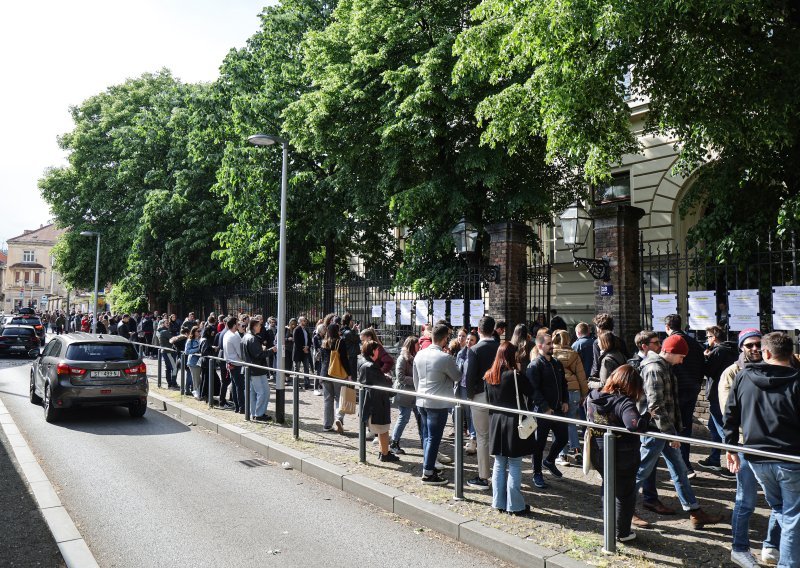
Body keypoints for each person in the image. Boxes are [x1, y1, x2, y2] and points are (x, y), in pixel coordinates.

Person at [635, 334, 723, 529]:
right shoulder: (654, 368)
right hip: (656, 431)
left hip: (664, 429)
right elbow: (655, 405)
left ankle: (694, 510)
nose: (682, 361)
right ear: (671, 352)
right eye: (681, 356)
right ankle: (623, 507)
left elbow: (664, 403)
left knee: (679, 469)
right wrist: (670, 434)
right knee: (641, 471)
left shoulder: (663, 366)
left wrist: (672, 431)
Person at [719, 328, 781, 568]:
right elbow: (730, 413)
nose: (754, 349)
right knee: (746, 500)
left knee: (779, 501)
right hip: (746, 444)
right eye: (749, 345)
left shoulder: (774, 368)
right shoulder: (732, 373)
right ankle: (740, 548)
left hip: (772, 445)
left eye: (757, 345)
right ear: (741, 348)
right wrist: (730, 447)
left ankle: (771, 546)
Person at [586, 364, 652, 542]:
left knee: (608, 488)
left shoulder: (592, 396)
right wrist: (647, 417)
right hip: (623, 455)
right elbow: (634, 425)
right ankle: (621, 533)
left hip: (598, 451)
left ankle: (609, 527)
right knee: (625, 495)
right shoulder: (624, 402)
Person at [485, 342, 535, 516]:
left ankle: (498, 501)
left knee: (499, 463)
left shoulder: (489, 376)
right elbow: (530, 391)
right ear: (511, 356)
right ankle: (515, 505)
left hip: (496, 422)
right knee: (514, 463)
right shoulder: (515, 375)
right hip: (514, 421)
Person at [413, 323, 460, 485]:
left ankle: (429, 465)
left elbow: (415, 379)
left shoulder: (419, 354)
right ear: (445, 339)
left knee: (427, 436)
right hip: (437, 402)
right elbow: (457, 376)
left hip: (421, 399)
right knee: (434, 437)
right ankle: (427, 472)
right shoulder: (445, 358)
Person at [663, 314, 706, 476]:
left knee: (672, 428)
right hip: (692, 390)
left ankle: (681, 466)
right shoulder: (694, 343)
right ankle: (685, 464)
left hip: (676, 392)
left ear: (667, 327)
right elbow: (702, 366)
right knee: (685, 428)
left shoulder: (669, 344)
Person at [527, 333, 569, 488]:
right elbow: (533, 389)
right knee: (539, 444)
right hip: (542, 411)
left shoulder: (557, 363)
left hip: (558, 410)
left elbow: (563, 384)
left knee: (563, 438)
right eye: (549, 344)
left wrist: (565, 400)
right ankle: (537, 473)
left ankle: (549, 461)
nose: (552, 346)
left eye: (552, 343)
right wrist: (545, 407)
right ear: (540, 346)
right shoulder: (535, 365)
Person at [465, 316, 501, 490]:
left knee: (482, 437)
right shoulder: (500, 347)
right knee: (497, 436)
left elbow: (470, 376)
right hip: (498, 396)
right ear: (493, 330)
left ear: (478, 331)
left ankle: (483, 476)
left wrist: (470, 396)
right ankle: (499, 474)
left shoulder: (475, 350)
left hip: (480, 395)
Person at [697, 325, 738, 474]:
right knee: (714, 429)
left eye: (708, 337)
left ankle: (733, 465)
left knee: (722, 430)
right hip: (724, 393)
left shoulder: (719, 351)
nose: (707, 340)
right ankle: (714, 459)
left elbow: (709, 371)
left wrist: (706, 358)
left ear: (713, 337)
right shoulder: (732, 350)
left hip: (716, 394)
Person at [552, 329, 588, 466]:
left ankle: (563, 455)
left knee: (558, 423)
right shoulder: (574, 354)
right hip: (574, 391)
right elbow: (581, 376)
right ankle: (577, 450)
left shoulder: (552, 354)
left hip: (559, 392)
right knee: (571, 421)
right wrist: (584, 393)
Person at [359, 340, 399, 462]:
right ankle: (385, 454)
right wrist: (389, 380)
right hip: (377, 402)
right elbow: (382, 384)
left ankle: (383, 452)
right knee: (384, 429)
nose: (379, 352)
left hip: (370, 400)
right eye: (377, 350)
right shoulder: (371, 366)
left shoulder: (362, 361)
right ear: (373, 351)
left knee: (382, 429)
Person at [390, 336, 422, 455]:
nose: (419, 346)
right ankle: (394, 442)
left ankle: (424, 441)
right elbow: (400, 377)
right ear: (412, 345)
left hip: (415, 394)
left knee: (420, 418)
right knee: (404, 417)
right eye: (417, 344)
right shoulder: (402, 358)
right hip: (404, 393)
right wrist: (416, 379)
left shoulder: (418, 357)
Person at [320, 323, 352, 433]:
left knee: (327, 400)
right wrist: (349, 374)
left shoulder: (324, 342)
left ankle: (327, 425)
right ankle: (339, 418)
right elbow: (344, 360)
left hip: (325, 374)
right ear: (337, 330)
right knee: (340, 398)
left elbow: (322, 360)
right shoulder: (340, 341)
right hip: (337, 374)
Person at [243, 318, 271, 421]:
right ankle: (259, 414)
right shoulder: (252, 338)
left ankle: (254, 413)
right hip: (257, 370)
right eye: (259, 325)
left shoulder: (246, 337)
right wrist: (270, 351)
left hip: (251, 369)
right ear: (254, 326)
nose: (261, 327)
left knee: (254, 393)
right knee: (263, 392)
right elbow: (258, 355)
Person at [589, 313, 628, 379]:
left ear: (599, 328)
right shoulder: (620, 340)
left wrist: (592, 378)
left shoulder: (598, 342)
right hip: (620, 376)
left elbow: (596, 365)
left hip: (605, 377)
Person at [222, 317, 245, 414]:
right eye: (238, 324)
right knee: (239, 387)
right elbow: (240, 353)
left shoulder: (228, 334)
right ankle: (241, 407)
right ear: (235, 325)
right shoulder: (234, 336)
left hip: (231, 363)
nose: (240, 325)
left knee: (236, 386)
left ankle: (237, 406)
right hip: (236, 363)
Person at [292, 316, 314, 390]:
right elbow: (296, 341)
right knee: (297, 369)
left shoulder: (306, 330)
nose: (305, 322)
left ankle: (307, 384)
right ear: (300, 321)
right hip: (298, 352)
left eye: (305, 321)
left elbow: (310, 340)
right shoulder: (296, 329)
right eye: (303, 321)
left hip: (305, 352)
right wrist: (303, 348)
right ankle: (296, 383)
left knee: (306, 368)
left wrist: (307, 347)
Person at [184, 326, 201, 398]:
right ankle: (196, 393)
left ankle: (198, 392)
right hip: (193, 362)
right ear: (194, 332)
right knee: (195, 379)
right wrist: (197, 349)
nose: (199, 332)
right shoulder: (190, 340)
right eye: (198, 331)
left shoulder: (200, 339)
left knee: (198, 378)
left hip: (199, 362)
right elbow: (187, 351)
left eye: (200, 331)